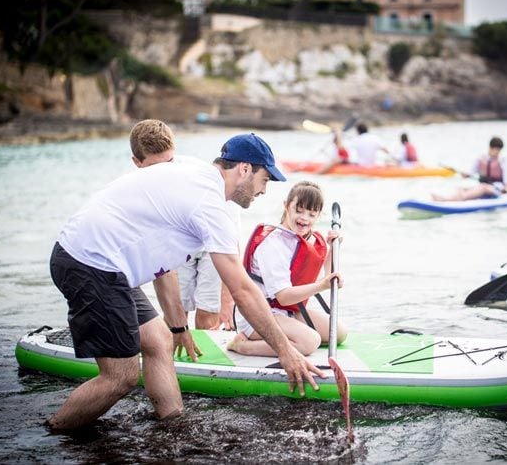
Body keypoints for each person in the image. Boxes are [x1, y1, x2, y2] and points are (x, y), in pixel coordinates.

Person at [48, 130, 325, 430]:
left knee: (159, 339)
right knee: (121, 377)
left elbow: (162, 265)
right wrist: (286, 351)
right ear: (244, 169)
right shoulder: (210, 203)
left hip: (102, 260)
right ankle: (53, 433)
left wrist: (179, 325)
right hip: (89, 262)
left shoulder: (194, 172)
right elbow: (242, 289)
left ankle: (172, 425)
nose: (264, 191)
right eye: (265, 180)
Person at [129, 119, 237, 330]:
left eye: (168, 163)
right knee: (176, 309)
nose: (164, 171)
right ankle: (173, 347)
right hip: (180, 242)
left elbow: (230, 249)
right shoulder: (138, 188)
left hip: (209, 240)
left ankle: (202, 357)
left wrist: (227, 302)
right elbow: (161, 266)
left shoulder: (197, 176)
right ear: (137, 162)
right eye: (154, 166)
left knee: (208, 313)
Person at [228, 181, 347, 357]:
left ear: (319, 215)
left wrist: (331, 249)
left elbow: (329, 279)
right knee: (310, 342)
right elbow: (283, 297)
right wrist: (322, 285)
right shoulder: (273, 243)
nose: (304, 218)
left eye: (311, 214)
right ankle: (242, 346)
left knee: (339, 332)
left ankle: (290, 334)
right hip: (257, 315)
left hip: (286, 313)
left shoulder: (309, 239)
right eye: (298, 211)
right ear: (286, 205)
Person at [432, 136, 507, 201]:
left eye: (499, 150)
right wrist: (465, 175)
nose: (498, 152)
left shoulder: (502, 161)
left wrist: (505, 188)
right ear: (490, 148)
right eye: (496, 150)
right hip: (484, 187)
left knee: (483, 187)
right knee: (462, 188)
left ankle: (447, 200)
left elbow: (506, 179)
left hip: (497, 188)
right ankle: (447, 198)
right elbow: (470, 172)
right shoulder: (481, 159)